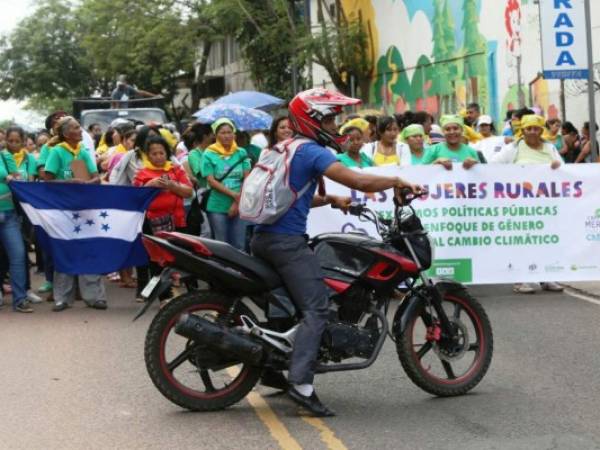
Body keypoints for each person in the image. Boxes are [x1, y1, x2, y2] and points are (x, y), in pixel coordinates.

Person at [251, 88, 422, 417]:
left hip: (265, 238)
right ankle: (301, 385)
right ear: (312, 120)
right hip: (286, 243)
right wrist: (396, 180)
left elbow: (288, 195)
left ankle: (271, 367)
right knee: (318, 308)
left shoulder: (283, 147)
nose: (335, 126)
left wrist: (330, 200)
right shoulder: (310, 151)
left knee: (293, 307)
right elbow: (357, 180)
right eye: (329, 119)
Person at [491, 114, 564, 294]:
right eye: (528, 128)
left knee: (546, 240)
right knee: (522, 241)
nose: (532, 132)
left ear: (541, 130)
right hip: (520, 207)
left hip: (546, 206)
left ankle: (546, 277)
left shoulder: (549, 148)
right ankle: (520, 278)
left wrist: (557, 166)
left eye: (536, 128)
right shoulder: (513, 148)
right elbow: (492, 166)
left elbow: (563, 169)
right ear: (522, 130)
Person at [42, 116, 106, 312]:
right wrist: (67, 183)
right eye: (77, 128)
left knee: (88, 249)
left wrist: (88, 183)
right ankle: (62, 298)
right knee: (64, 251)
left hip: (85, 208)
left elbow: (96, 178)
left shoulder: (84, 151)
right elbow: (47, 180)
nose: (81, 131)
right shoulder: (56, 152)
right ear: (66, 133)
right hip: (63, 210)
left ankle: (94, 297)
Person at [200, 118, 251, 250]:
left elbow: (247, 179)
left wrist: (236, 201)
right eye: (223, 132)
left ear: (234, 134)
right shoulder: (208, 154)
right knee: (222, 245)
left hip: (240, 205)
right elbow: (211, 181)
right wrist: (233, 194)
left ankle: (240, 271)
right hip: (217, 205)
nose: (227, 136)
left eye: (230, 132)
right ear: (216, 135)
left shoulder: (241, 152)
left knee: (239, 245)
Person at [0, 148, 30, 313]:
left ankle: (20, 300)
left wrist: (15, 176)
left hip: (9, 214)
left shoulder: (5, 156)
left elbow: (19, 177)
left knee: (18, 255)